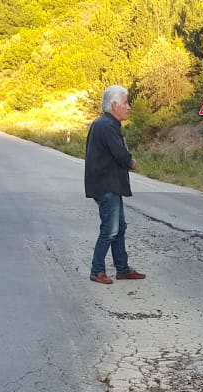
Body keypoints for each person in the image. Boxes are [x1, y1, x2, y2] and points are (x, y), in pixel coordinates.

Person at [83, 85, 145, 284]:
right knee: (110, 229)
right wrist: (131, 162)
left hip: (108, 184)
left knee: (119, 227)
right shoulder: (107, 126)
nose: (128, 107)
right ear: (114, 105)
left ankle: (122, 268)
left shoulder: (104, 124)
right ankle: (97, 270)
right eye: (125, 103)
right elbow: (120, 155)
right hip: (106, 185)